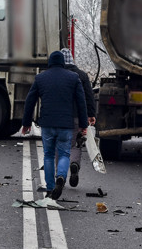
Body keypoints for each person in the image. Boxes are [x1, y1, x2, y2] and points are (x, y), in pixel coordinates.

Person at [22, 50, 88, 200]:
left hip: (47, 123)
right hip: (66, 124)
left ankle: (51, 187)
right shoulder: (73, 78)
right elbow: (81, 103)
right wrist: (83, 125)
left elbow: (30, 101)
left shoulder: (41, 78)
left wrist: (26, 123)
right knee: (65, 153)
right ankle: (61, 177)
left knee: (49, 155)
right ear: (63, 63)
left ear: (50, 62)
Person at [59, 48, 96, 187]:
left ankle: (60, 176)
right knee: (75, 144)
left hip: (60, 117)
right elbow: (89, 97)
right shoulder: (82, 75)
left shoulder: (57, 75)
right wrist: (91, 115)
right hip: (77, 117)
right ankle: (74, 164)